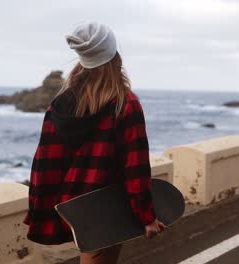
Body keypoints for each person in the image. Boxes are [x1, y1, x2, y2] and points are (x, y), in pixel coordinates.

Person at [22, 21, 165, 264]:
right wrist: (146, 215)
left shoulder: (60, 104)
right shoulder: (124, 104)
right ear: (113, 55)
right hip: (105, 204)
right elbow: (135, 167)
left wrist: (41, 207)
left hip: (71, 204)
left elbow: (43, 162)